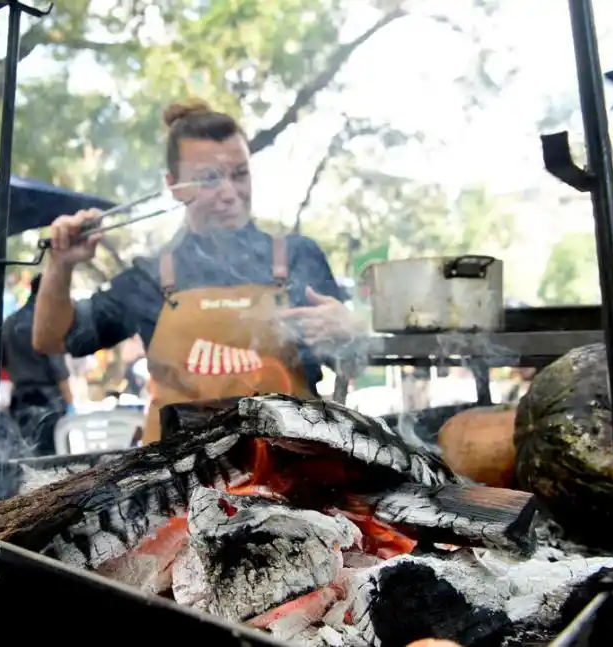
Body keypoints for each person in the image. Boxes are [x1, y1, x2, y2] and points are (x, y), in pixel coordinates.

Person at [33, 99, 366, 444]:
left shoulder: (298, 257)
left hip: (284, 472)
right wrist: (60, 264)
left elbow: (350, 363)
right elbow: (50, 339)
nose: (229, 193)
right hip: (178, 481)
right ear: (174, 185)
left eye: (240, 174)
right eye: (209, 179)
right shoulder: (149, 277)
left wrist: (351, 332)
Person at [4, 274, 74, 456]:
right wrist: (70, 403)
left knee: (23, 458)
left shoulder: (10, 322)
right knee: (50, 462)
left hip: (19, 399)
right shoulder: (46, 323)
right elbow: (58, 369)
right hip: (47, 401)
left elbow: (1, 362)